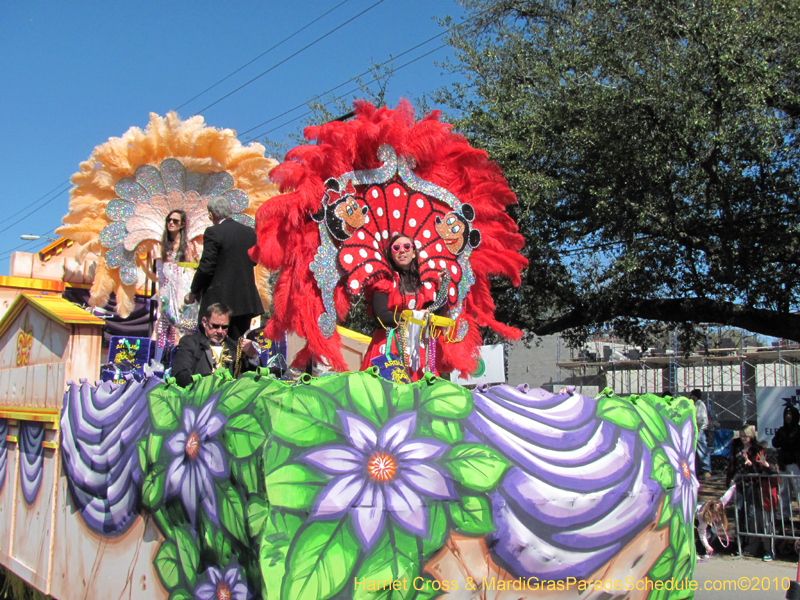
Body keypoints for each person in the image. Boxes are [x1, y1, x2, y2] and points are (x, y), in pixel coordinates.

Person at [360, 234, 444, 380]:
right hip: (387, 345)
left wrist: (442, 288)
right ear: (391, 254)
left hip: (415, 350)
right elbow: (381, 316)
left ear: (414, 253)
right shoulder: (384, 280)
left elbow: (437, 314)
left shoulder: (423, 284)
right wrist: (415, 316)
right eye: (396, 247)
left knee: (421, 396)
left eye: (407, 247)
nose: (402, 251)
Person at [185, 197, 263, 340]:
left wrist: (193, 291)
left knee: (213, 344)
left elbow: (207, 266)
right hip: (244, 300)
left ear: (211, 215)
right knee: (239, 345)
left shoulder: (213, 232)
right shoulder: (249, 233)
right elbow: (254, 261)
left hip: (219, 301)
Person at [171, 303, 259, 387]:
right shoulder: (190, 343)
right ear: (205, 322)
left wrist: (252, 356)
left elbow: (251, 380)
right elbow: (181, 375)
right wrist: (208, 381)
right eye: (215, 326)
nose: (220, 331)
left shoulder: (235, 347)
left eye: (224, 327)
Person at [153, 210, 196, 362]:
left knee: (182, 325)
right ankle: (158, 361)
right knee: (162, 325)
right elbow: (160, 272)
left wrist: (180, 267)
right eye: (169, 220)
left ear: (182, 224)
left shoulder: (187, 245)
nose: (171, 223)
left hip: (182, 291)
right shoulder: (162, 245)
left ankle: (180, 360)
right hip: (166, 291)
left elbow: (192, 267)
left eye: (175, 221)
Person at [772, 404, 800, 525]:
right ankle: (784, 515)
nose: (788, 417)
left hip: (795, 465)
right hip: (783, 465)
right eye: (786, 414)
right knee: (783, 491)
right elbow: (775, 443)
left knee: (798, 490)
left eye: (790, 414)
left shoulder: (798, 430)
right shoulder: (782, 430)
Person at [691, 389, 712, 479]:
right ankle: (699, 470)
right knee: (697, 450)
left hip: (699, 430)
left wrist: (698, 429)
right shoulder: (695, 404)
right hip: (696, 430)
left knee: (701, 449)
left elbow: (700, 419)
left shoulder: (699, 404)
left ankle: (706, 469)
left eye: (691, 395)